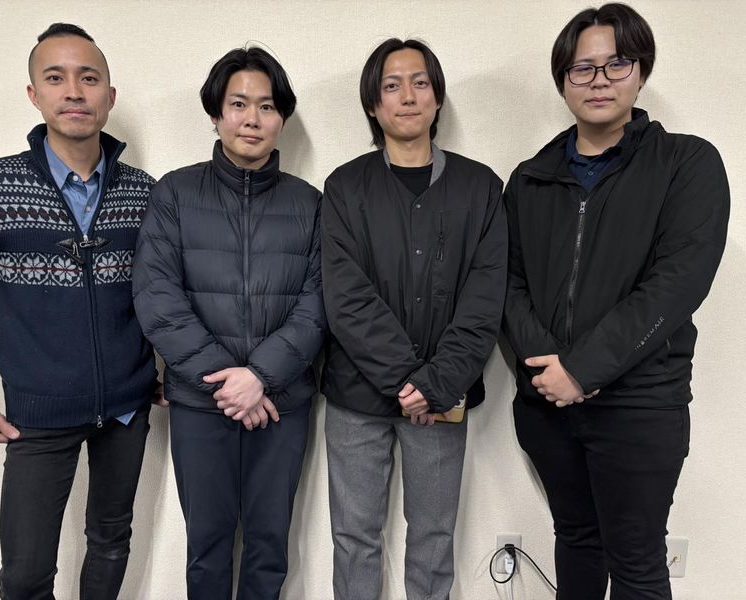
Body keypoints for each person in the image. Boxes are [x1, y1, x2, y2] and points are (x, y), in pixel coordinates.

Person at [503, 4, 730, 599]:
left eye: (616, 64)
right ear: (563, 80)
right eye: (583, 68)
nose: (599, 80)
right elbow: (507, 282)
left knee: (636, 560)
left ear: (641, 70)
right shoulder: (530, 178)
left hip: (641, 404)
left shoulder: (687, 163)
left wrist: (583, 369)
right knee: (576, 540)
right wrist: (550, 371)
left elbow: (678, 282)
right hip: (547, 403)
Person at [0, 23, 158, 600]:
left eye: (89, 79)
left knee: (111, 542)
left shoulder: (144, 192)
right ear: (34, 94)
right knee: (25, 573)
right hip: (36, 415)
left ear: (109, 96)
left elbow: (165, 292)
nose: (74, 92)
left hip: (126, 409)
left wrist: (166, 368)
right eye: (56, 78)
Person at [132, 46, 325, 600]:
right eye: (238, 104)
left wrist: (261, 376)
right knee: (208, 545)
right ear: (216, 113)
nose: (252, 119)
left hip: (281, 402)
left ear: (281, 118)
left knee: (269, 544)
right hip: (202, 403)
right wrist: (228, 380)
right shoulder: (174, 193)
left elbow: (319, 302)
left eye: (266, 106)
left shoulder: (311, 203)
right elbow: (157, 296)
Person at [321, 38, 507, 600]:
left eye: (420, 83)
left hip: (443, 397)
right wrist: (410, 379)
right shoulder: (344, 187)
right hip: (357, 396)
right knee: (354, 537)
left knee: (433, 537)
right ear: (373, 105)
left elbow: (484, 298)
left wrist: (435, 383)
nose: (408, 96)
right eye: (392, 86)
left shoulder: (481, 187)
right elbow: (346, 297)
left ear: (437, 97)